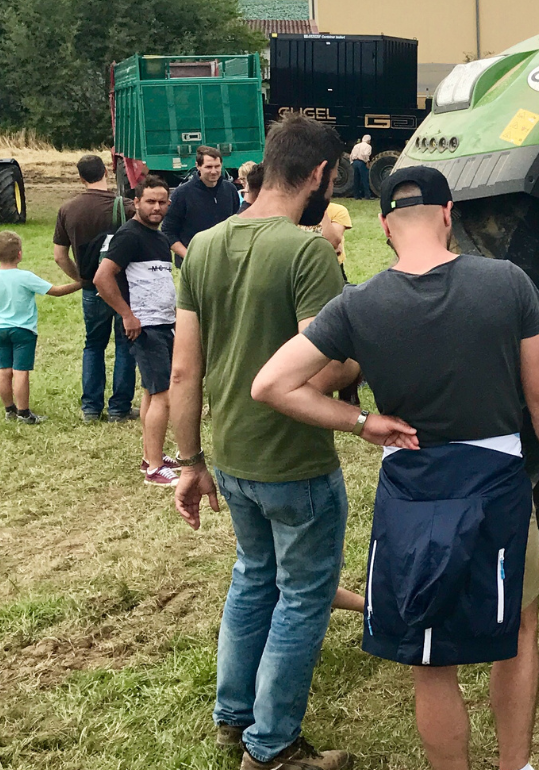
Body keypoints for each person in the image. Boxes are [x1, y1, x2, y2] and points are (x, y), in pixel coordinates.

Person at [253, 166, 539, 770]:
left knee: (432, 659)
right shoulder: (508, 283)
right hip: (497, 485)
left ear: (384, 225)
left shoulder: (357, 304)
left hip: (411, 491)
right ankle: (517, 766)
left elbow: (271, 385)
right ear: (447, 213)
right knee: (516, 636)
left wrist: (361, 423)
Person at [169, 114, 403, 770]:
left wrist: (190, 463)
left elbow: (184, 370)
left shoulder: (206, 243)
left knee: (253, 579)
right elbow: (324, 370)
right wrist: (364, 363)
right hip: (296, 462)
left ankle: (233, 719)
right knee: (302, 597)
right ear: (321, 174)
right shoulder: (307, 252)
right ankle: (271, 748)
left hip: (234, 457)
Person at [96, 179, 182, 486]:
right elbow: (102, 277)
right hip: (144, 327)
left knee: (151, 391)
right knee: (163, 395)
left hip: (162, 324)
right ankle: (155, 469)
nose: (156, 207)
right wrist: (127, 315)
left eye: (162, 202)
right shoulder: (129, 236)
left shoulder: (158, 238)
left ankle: (151, 455)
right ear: (136, 202)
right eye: (150, 202)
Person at [54, 155, 137, 422]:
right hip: (122, 286)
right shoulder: (124, 206)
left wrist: (81, 279)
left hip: (92, 288)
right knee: (125, 344)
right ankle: (120, 408)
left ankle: (91, 407)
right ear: (106, 173)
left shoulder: (68, 209)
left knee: (93, 345)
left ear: (80, 178)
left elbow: (59, 255)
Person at [0, 231, 80, 424]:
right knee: (21, 372)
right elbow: (56, 291)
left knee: (4, 370)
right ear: (19, 254)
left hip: (0, 329)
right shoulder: (25, 277)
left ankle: (9, 409)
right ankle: (24, 413)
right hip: (23, 330)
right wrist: (81, 284)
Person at [162, 146, 242, 265]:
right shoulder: (182, 194)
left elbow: (236, 225)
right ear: (198, 166)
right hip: (194, 265)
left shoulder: (230, 190)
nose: (214, 171)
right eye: (208, 167)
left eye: (217, 166)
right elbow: (168, 231)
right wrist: (189, 256)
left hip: (226, 262)